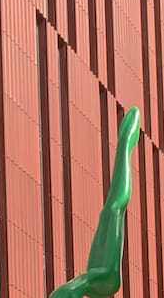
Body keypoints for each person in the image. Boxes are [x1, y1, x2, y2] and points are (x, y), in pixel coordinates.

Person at [52, 107, 142, 298]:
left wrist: (80, 285)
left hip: (95, 282)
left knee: (112, 209)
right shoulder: (105, 281)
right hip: (101, 280)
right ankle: (125, 145)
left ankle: (125, 144)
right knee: (114, 208)